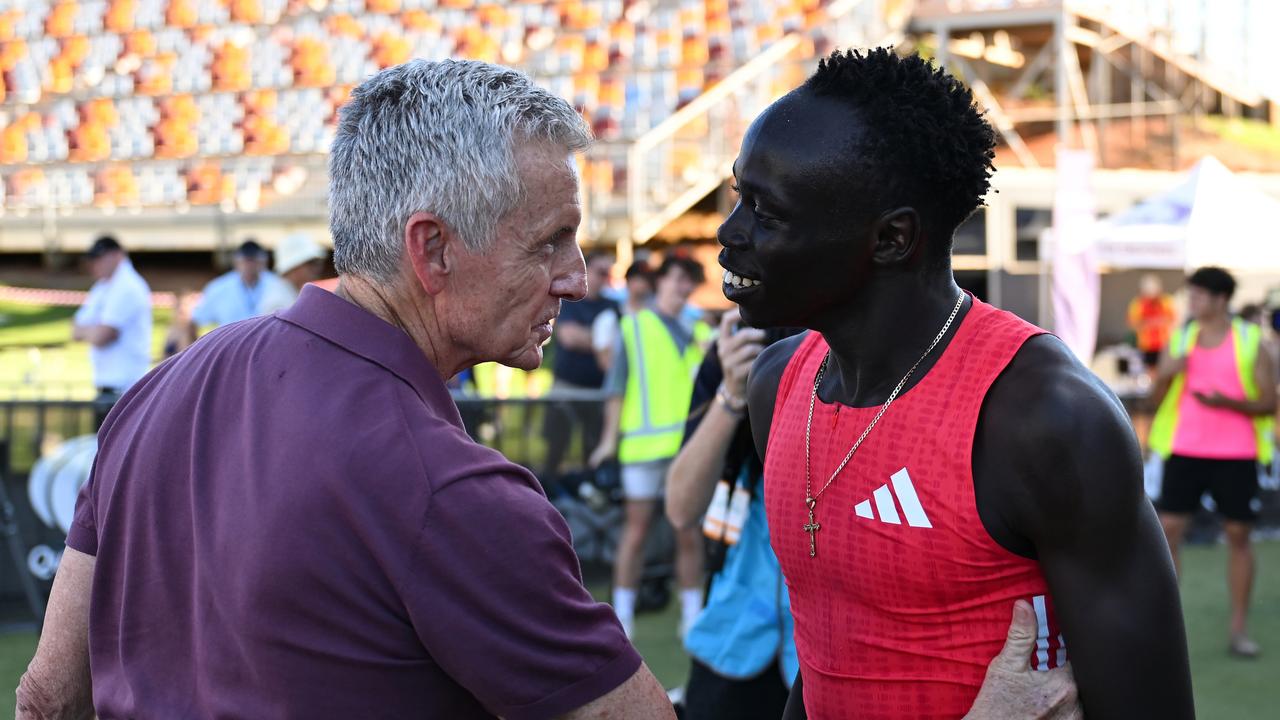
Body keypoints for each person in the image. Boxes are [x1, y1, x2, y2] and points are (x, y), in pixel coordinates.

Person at [18, 60, 673, 719]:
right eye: (552, 240)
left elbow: (47, 698)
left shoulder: (153, 397)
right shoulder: (446, 491)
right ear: (434, 248)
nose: (577, 278)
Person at [731, 49, 1191, 718]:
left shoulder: (1043, 417)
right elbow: (829, 663)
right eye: (739, 197)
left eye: (765, 213)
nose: (728, 233)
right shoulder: (777, 384)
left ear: (892, 239)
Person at [666, 307, 799, 720]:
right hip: (734, 633)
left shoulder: (863, 343)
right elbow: (681, 507)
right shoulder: (741, 342)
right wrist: (733, 394)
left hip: (831, 650)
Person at [1150, 266, 1276, 659]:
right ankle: (1166, 629)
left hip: (1236, 454)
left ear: (1221, 299)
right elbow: (1155, 401)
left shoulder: (1251, 339)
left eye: (1200, 295)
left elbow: (1269, 403)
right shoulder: (1181, 337)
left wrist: (1227, 403)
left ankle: (1238, 630)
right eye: (1191, 295)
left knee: (1238, 536)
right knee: (1168, 531)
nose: (1192, 302)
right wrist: (1164, 377)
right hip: (1185, 449)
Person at [590, 254, 713, 639]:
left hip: (688, 450)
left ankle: (692, 617)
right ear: (661, 282)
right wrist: (609, 439)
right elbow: (616, 387)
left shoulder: (703, 332)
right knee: (636, 532)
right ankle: (622, 616)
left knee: (688, 531)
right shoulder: (634, 327)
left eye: (689, 281)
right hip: (643, 449)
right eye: (677, 278)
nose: (683, 287)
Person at [543, 251, 620, 478]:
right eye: (600, 272)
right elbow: (568, 336)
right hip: (567, 387)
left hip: (598, 391)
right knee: (556, 444)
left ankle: (587, 488)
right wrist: (601, 340)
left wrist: (591, 339)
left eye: (607, 273)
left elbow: (617, 346)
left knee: (592, 447)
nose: (604, 277)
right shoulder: (571, 300)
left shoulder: (612, 305)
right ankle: (549, 487)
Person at [72, 235, 152, 397]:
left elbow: (103, 335)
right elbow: (74, 329)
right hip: (107, 385)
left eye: (100, 259)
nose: (95, 265)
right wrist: (93, 331)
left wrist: (89, 331)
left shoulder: (128, 286)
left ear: (117, 255)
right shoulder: (103, 286)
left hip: (126, 388)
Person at [189, 239, 290, 332]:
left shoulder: (279, 285)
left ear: (263, 262)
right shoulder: (218, 288)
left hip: (268, 346)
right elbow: (195, 321)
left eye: (254, 260)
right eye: (246, 261)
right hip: (231, 347)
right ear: (236, 262)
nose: (250, 265)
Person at [592, 259, 654, 372]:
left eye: (648, 280)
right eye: (639, 279)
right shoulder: (609, 318)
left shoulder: (657, 319)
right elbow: (605, 362)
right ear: (628, 281)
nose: (644, 284)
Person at [259, 232, 330, 313]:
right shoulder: (277, 302)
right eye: (311, 262)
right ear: (294, 267)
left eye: (316, 263)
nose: (317, 268)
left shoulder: (289, 293)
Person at [1129, 274, 1177, 371]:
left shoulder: (1165, 301)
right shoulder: (1138, 304)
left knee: (1165, 370)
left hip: (1164, 344)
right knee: (1151, 371)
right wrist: (1150, 323)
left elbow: (1172, 319)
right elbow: (1133, 323)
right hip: (1147, 345)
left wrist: (1154, 322)